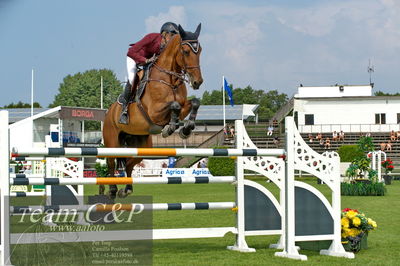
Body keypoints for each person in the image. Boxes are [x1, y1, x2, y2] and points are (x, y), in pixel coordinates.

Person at [119, 22, 179, 124]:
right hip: (134, 58)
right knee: (132, 77)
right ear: (164, 34)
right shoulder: (152, 37)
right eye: (172, 35)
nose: (173, 39)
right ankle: (124, 108)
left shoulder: (166, 47)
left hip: (148, 61)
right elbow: (131, 52)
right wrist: (145, 60)